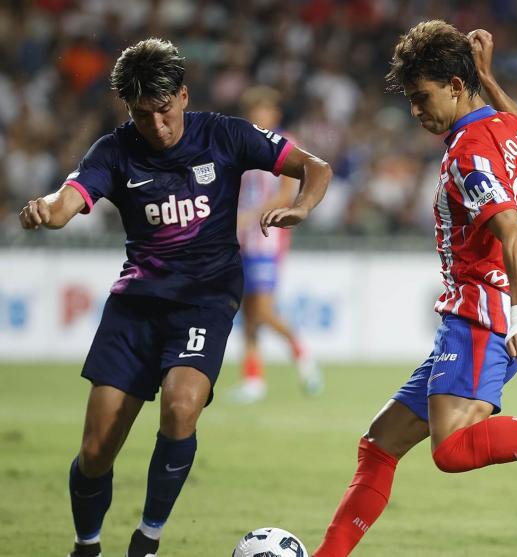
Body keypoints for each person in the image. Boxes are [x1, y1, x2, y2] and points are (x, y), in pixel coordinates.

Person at [312, 22, 517, 557]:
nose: (417, 112)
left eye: (422, 98)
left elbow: (514, 233)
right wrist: (489, 79)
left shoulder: (468, 152)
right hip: (473, 315)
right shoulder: (508, 129)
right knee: (378, 444)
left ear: (452, 83)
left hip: (479, 314)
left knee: (452, 450)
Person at [18, 38, 332, 557]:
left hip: (205, 298)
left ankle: (148, 539)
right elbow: (67, 199)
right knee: (96, 451)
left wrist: (301, 206)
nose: (157, 126)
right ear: (129, 110)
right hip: (136, 304)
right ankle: (86, 545)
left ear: (183, 96)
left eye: (164, 111)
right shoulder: (114, 150)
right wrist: (46, 210)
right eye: (144, 116)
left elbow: (314, 167)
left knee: (181, 405)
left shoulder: (226, 135)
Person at [230, 86, 323, 404]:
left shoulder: (286, 145)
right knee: (246, 310)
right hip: (240, 238)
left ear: (275, 114)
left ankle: (302, 352)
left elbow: (287, 193)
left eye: (265, 110)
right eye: (254, 110)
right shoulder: (241, 144)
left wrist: (252, 216)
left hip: (266, 239)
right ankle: (253, 380)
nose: (259, 115)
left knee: (263, 310)